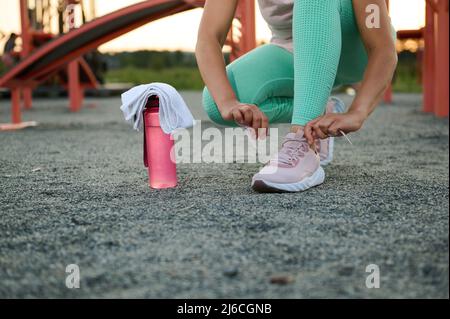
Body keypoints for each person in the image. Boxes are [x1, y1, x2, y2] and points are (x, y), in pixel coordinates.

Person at [196, 0, 397, 193]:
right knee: (217, 99)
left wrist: (358, 111)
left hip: (354, 51)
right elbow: (209, 38)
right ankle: (318, 112)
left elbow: (383, 49)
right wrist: (228, 102)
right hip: (292, 51)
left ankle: (303, 142)